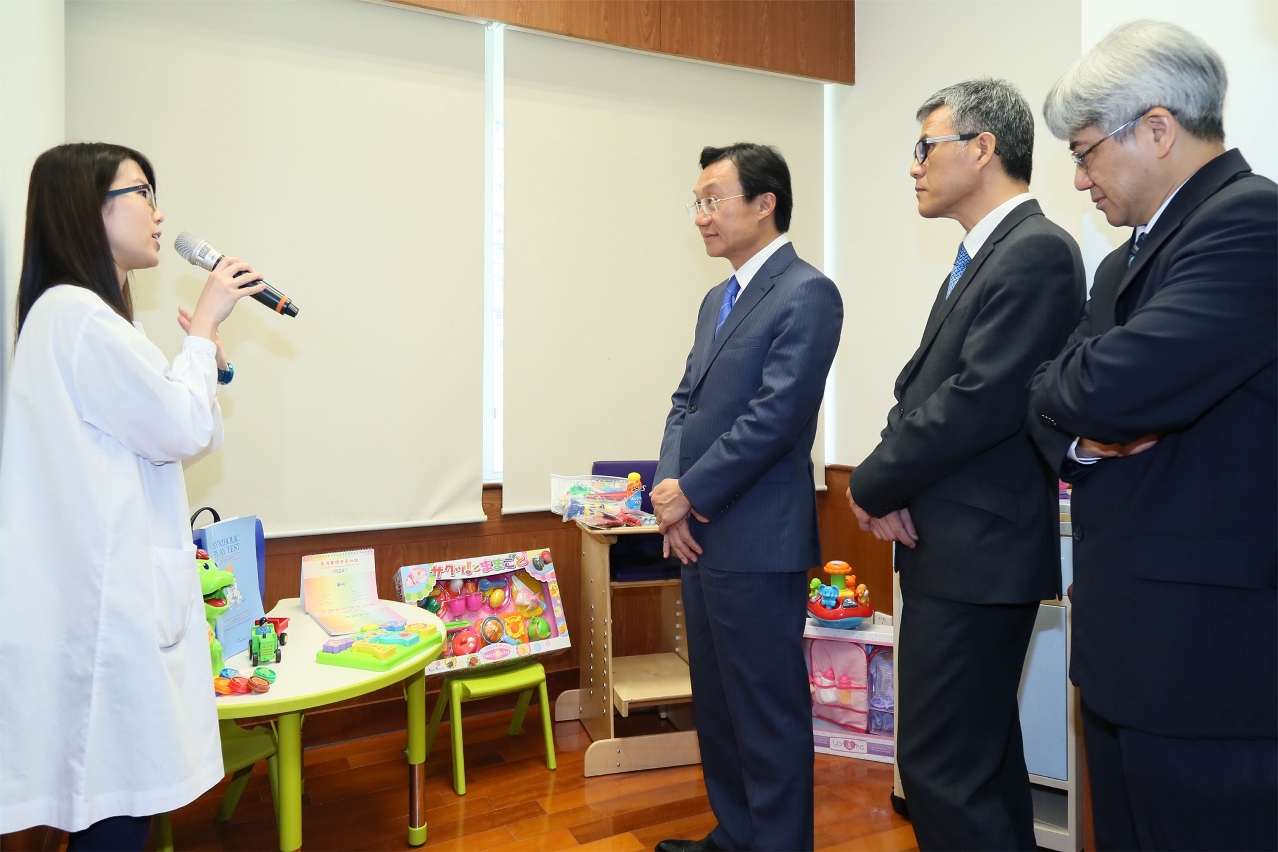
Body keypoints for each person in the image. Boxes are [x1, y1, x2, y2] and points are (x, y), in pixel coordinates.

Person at [1029, 21, 1277, 850]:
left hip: (1210, 669)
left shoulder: (1253, 225)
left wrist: (1090, 407)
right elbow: (1049, 400)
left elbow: (1103, 387)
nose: (1079, 177)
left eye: (1087, 150)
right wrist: (1087, 427)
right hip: (1131, 654)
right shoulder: (1123, 261)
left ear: (1159, 129)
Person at [0, 143, 267, 850]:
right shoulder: (78, 317)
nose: (159, 212)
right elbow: (180, 427)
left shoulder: (84, 318)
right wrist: (204, 331)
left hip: (115, 605)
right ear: (91, 209)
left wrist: (207, 362)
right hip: (109, 613)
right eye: (143, 191)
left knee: (121, 805)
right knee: (117, 810)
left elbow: (175, 417)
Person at [845, 79, 1085, 850]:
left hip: (980, 554)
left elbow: (979, 400)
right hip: (954, 547)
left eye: (925, 147)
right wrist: (888, 480)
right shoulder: (982, 255)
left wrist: (873, 481)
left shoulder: (1036, 250)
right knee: (974, 761)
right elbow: (920, 391)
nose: (913, 166)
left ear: (982, 149)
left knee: (941, 764)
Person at [650, 143, 842, 852]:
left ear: (765, 203)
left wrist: (689, 494)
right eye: (696, 202)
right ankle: (736, 835)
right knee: (722, 708)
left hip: (758, 539)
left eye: (713, 199)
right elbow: (684, 404)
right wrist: (669, 494)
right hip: (700, 536)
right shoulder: (716, 300)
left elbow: (776, 417)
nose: (700, 216)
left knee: (768, 712)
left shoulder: (807, 292)